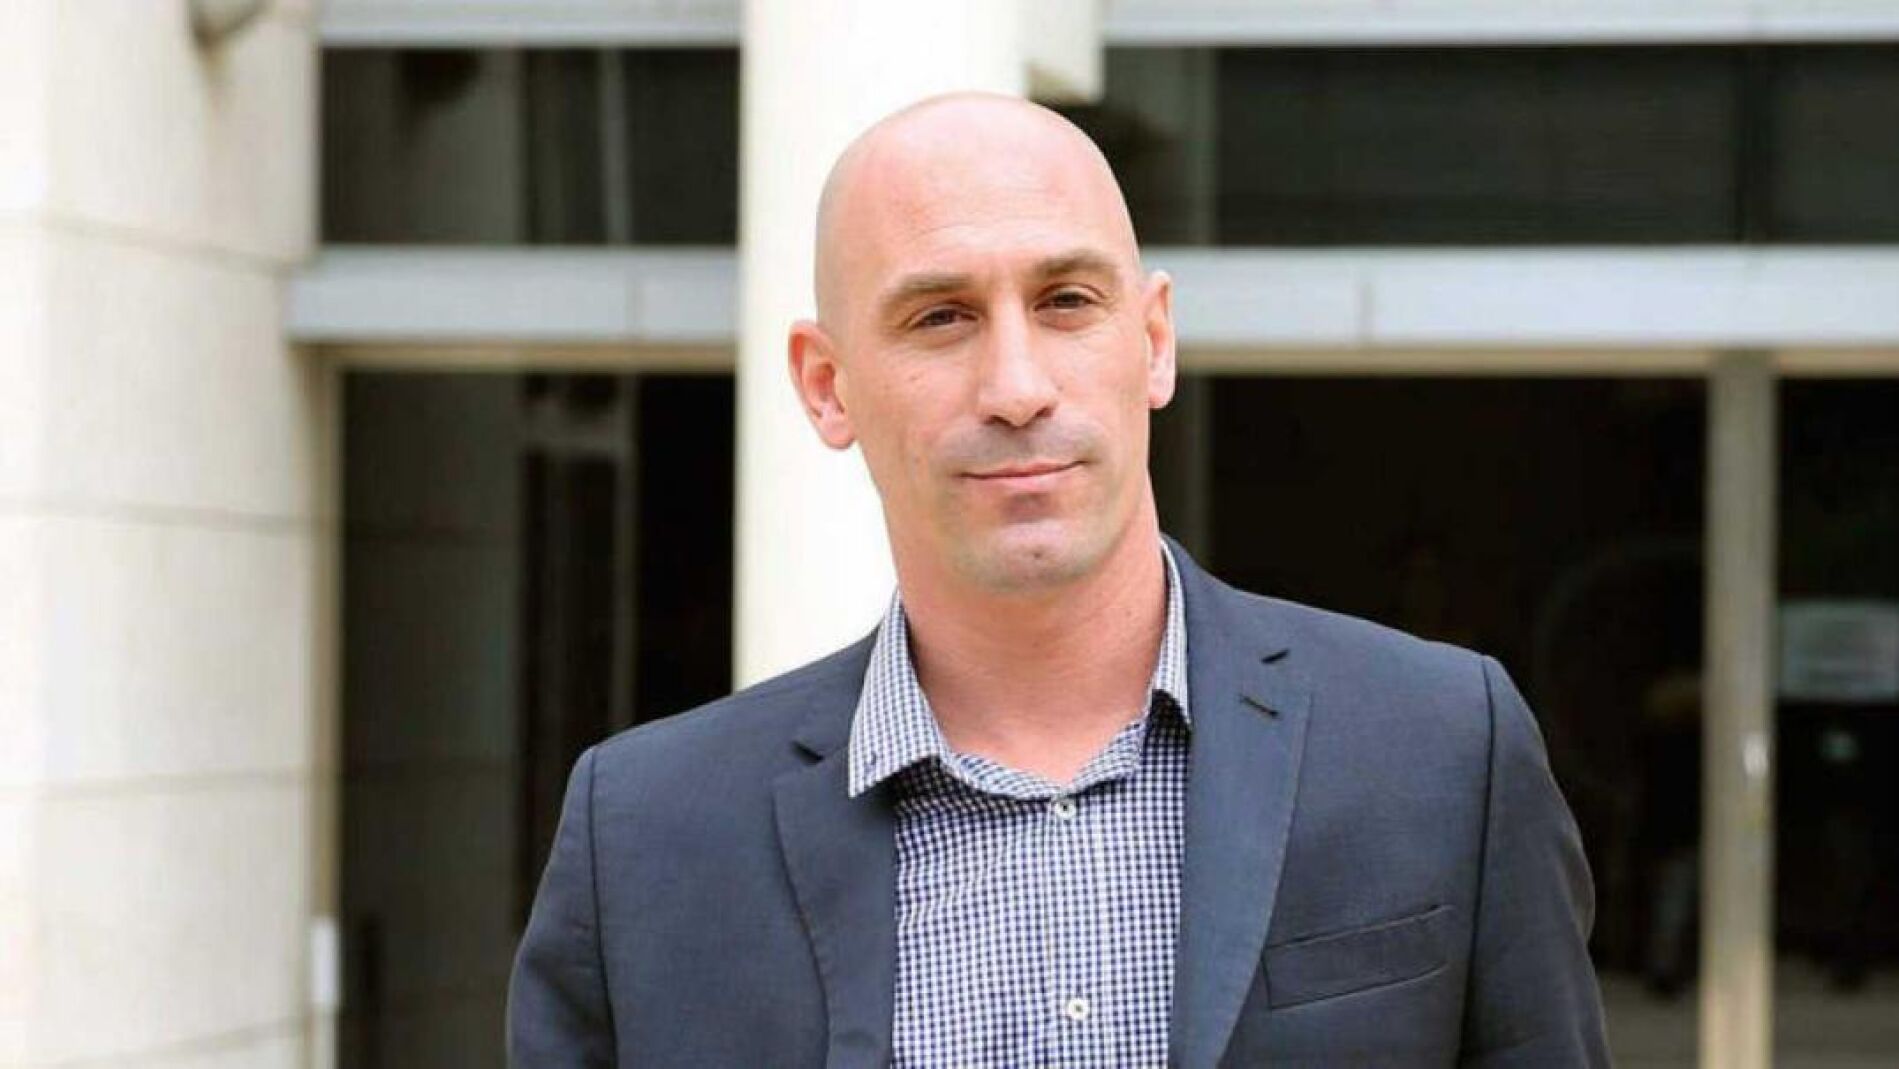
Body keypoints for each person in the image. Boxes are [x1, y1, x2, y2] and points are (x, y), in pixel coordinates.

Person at [508, 92, 1609, 1067]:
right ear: (827, 385)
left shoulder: (1442, 752)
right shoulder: (644, 839)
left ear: (1155, 339)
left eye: (1067, 300)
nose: (1017, 386)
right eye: (940, 317)